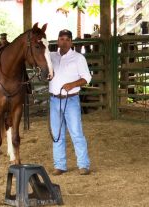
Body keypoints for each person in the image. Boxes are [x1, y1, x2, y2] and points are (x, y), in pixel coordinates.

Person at [49, 29, 92, 176]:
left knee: (76, 132)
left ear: (71, 42)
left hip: (71, 99)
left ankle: (83, 164)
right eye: (61, 39)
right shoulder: (51, 56)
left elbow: (87, 78)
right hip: (54, 99)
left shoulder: (78, 58)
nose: (64, 42)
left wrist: (72, 84)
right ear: (57, 41)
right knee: (57, 133)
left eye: (67, 39)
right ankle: (60, 165)